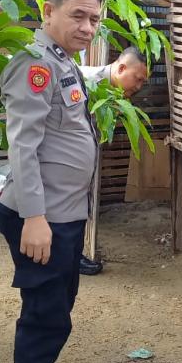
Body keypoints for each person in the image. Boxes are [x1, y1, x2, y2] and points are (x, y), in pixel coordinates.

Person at [0, 0, 102, 363]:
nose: (87, 28)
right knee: (46, 317)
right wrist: (34, 218)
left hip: (63, 213)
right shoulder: (35, 62)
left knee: (56, 309)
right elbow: (23, 144)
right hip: (44, 217)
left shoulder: (61, 58)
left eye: (94, 20)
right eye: (78, 16)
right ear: (48, 11)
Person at [74, 46, 149, 275]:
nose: (138, 87)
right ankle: (64, 259)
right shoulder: (85, 81)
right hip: (63, 160)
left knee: (78, 207)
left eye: (142, 83)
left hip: (83, 159)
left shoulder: (115, 95)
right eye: (137, 79)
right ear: (121, 68)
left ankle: (73, 257)